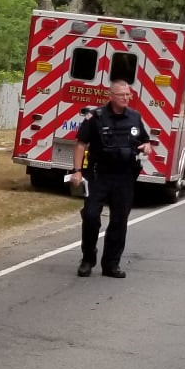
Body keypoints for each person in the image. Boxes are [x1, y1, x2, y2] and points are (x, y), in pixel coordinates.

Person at [67, 78, 151, 279]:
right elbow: (80, 144)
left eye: (128, 94)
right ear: (110, 96)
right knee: (90, 216)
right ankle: (88, 258)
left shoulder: (134, 117)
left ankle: (111, 264)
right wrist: (76, 170)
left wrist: (147, 146)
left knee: (119, 221)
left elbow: (145, 140)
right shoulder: (96, 117)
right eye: (121, 94)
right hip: (98, 175)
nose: (125, 98)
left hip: (124, 177)